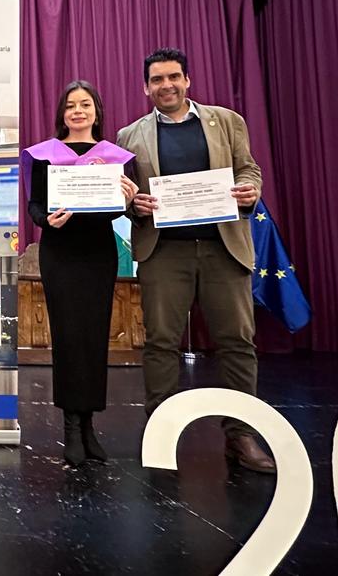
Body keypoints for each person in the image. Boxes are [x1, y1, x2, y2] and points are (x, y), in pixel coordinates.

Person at [117, 47, 275, 473]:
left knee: (237, 343)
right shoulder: (129, 135)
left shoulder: (226, 121)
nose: (165, 85)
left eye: (173, 77)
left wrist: (249, 190)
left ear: (187, 80)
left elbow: (249, 170)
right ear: (145, 86)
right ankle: (162, 434)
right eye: (156, 80)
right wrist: (137, 206)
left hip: (224, 248)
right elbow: (125, 194)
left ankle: (240, 436)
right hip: (164, 251)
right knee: (161, 342)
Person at [27, 81, 137, 466]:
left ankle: (89, 426)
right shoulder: (45, 155)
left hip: (97, 254)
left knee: (94, 338)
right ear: (62, 113)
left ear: (96, 111)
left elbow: (116, 212)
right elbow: (35, 205)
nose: (78, 111)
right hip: (60, 254)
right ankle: (70, 427)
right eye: (71, 105)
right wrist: (47, 221)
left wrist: (125, 199)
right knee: (68, 336)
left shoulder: (115, 157)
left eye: (85, 104)